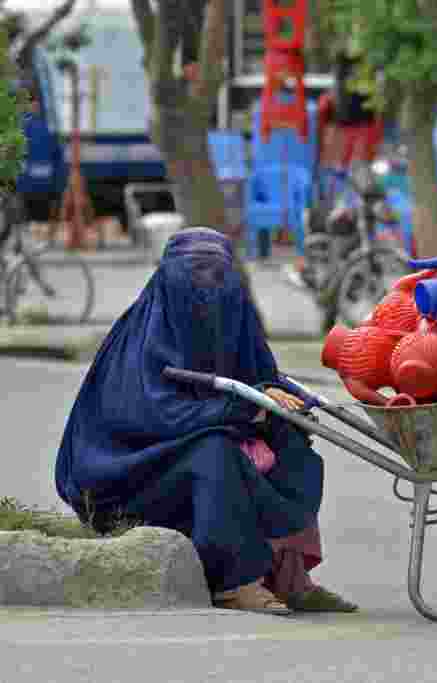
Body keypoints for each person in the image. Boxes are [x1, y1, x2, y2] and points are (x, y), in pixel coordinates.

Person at [55, 227, 357, 615]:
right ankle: (234, 581)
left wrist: (275, 397)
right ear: (170, 278)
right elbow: (151, 415)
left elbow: (256, 375)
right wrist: (239, 410)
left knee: (291, 442)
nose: (208, 287)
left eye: (218, 275)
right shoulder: (141, 336)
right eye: (195, 274)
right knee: (214, 452)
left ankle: (290, 577)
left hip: (202, 438)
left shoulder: (234, 313)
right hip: (127, 470)